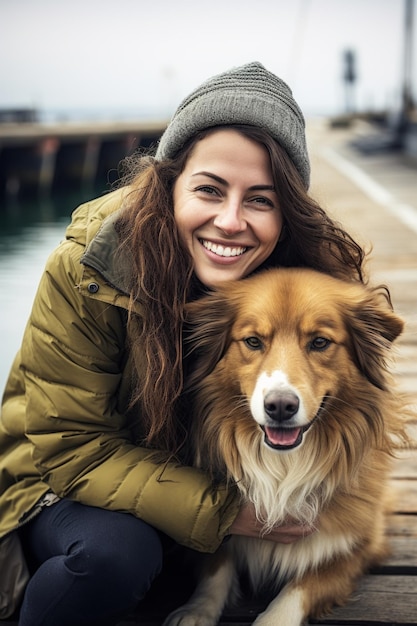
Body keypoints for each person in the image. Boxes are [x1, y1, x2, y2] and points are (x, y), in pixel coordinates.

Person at [0, 62, 366, 625]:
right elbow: (68, 446)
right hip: (63, 486)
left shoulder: (304, 276)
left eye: (261, 199)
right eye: (209, 189)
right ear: (168, 181)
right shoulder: (86, 268)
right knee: (118, 558)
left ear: (286, 210)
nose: (230, 220)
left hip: (187, 487)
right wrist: (223, 513)